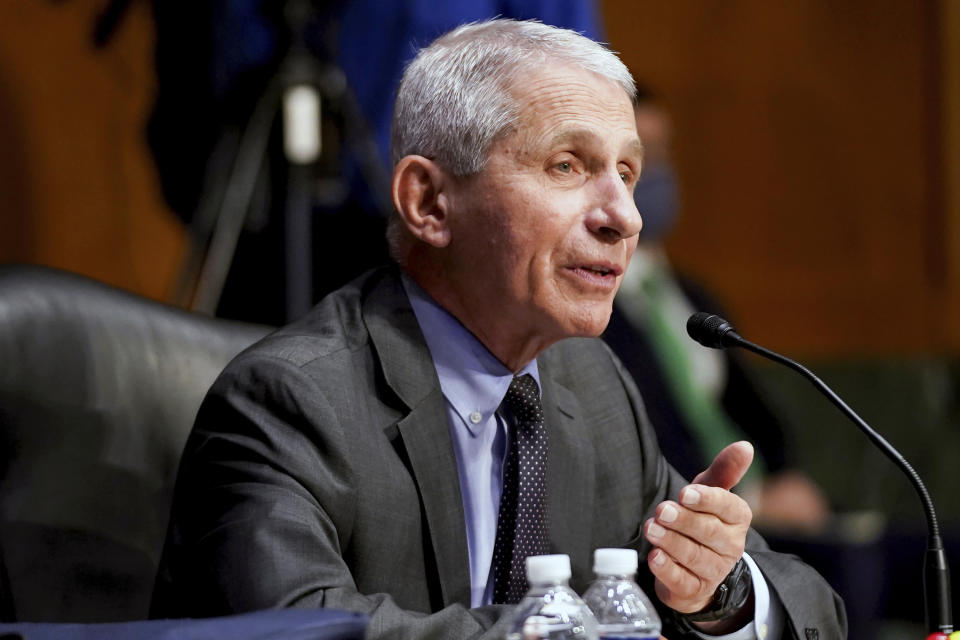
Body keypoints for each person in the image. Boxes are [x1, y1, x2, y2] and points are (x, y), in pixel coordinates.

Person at [151, 20, 846, 639]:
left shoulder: (591, 387)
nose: (624, 217)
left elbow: (810, 605)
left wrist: (716, 591)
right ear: (429, 202)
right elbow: (298, 629)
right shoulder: (292, 403)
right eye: (568, 165)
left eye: (628, 172)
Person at [604, 91, 831, 534]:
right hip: (685, 520)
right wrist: (749, 502)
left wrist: (786, 479)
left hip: (774, 513)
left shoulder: (691, 294)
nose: (656, 173)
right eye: (638, 157)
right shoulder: (591, 310)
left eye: (663, 153)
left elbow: (750, 409)